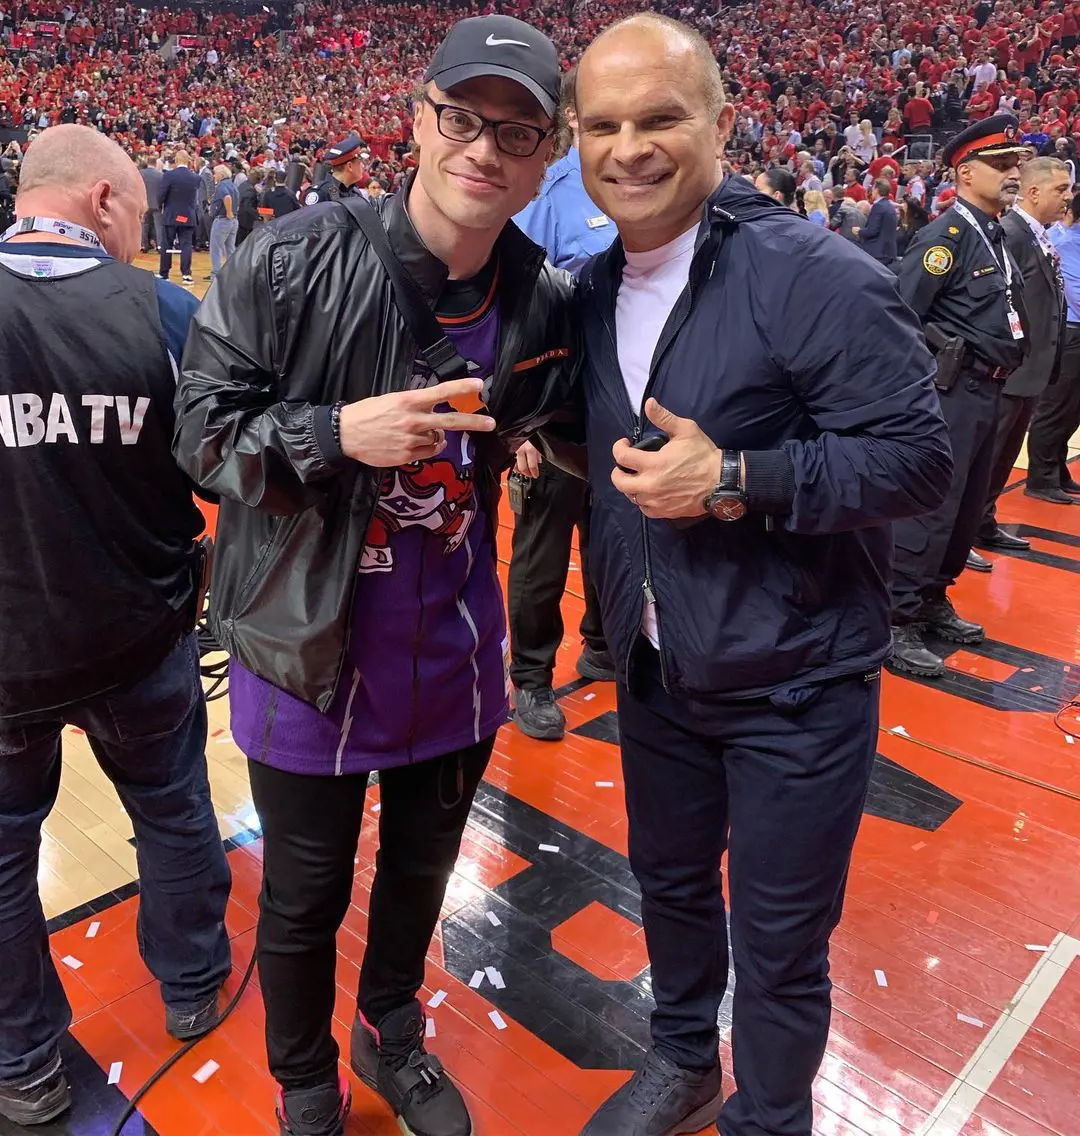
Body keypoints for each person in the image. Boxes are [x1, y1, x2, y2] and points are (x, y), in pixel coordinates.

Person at [173, 16, 575, 1136]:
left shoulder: (542, 297)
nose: (484, 149)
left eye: (518, 131)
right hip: (307, 649)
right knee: (301, 895)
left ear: (546, 156)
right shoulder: (290, 259)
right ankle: (304, 1074)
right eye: (463, 118)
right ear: (416, 120)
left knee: (416, 877)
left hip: (453, 646)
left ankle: (390, 1026)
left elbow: (565, 422)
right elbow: (200, 435)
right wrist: (331, 434)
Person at [571, 15, 951, 1136]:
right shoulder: (595, 287)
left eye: (660, 118)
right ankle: (685, 1058)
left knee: (779, 940)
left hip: (797, 681)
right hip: (657, 666)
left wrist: (738, 474)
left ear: (724, 125)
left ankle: (771, 1116)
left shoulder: (813, 273)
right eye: (601, 123)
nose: (628, 147)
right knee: (674, 888)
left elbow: (918, 458)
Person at [0, 125, 231, 1127]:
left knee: (5, 855)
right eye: (138, 213)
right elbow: (225, 470)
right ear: (102, 199)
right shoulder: (165, 310)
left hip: (4, 658)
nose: (144, 230)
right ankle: (191, 984)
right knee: (174, 812)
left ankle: (22, 1064)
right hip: (140, 635)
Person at [889, 115, 1030, 678]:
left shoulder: (992, 233)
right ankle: (895, 619)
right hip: (952, 392)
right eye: (1000, 164)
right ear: (966, 173)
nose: (1013, 171)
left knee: (968, 506)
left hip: (990, 389)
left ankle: (931, 600)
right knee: (933, 508)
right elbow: (901, 315)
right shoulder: (944, 239)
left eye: (1014, 162)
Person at [508, 63, 617, 741]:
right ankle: (531, 678)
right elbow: (516, 311)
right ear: (575, 118)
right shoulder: (548, 195)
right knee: (543, 552)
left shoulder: (641, 189)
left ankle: (604, 645)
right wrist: (518, 425)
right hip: (554, 414)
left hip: (625, 408)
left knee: (613, 539)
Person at [969, 156, 1070, 570]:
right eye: (1060, 190)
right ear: (1033, 192)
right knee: (985, 458)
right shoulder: (1011, 232)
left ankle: (983, 521)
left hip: (1030, 369)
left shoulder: (1037, 234)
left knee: (1004, 457)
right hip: (1009, 370)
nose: (1067, 198)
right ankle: (964, 531)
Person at [1026, 190, 1080, 502]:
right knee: (1056, 407)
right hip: (1068, 334)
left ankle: (1057, 469)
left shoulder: (1065, 236)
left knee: (1071, 410)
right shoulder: (1064, 241)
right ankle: (1041, 478)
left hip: (1071, 332)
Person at [159, 147, 200, 285]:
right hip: (187, 216)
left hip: (171, 214)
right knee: (186, 245)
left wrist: (160, 208)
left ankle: (164, 273)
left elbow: (162, 194)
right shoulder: (195, 177)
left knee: (167, 243)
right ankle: (186, 274)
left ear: (176, 160)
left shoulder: (169, 175)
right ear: (188, 161)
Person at [304, 133, 368, 205]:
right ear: (350, 166)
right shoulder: (320, 194)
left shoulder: (356, 193)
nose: (362, 166)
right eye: (359, 162)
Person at [853, 177, 898, 263]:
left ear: (877, 190)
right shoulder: (889, 205)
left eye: (873, 189)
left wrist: (859, 231)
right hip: (887, 251)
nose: (872, 191)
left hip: (878, 252)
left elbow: (872, 230)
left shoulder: (878, 206)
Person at [207, 162, 238, 280]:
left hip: (223, 220)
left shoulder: (221, 185)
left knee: (216, 248)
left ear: (221, 174)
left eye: (215, 174)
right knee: (230, 249)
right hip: (234, 221)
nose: (214, 176)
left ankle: (216, 275)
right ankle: (233, 273)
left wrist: (228, 212)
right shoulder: (232, 184)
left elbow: (227, 197)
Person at [139, 153, 162, 252]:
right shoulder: (160, 175)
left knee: (145, 225)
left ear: (147, 162)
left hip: (145, 203)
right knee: (158, 226)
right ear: (156, 163)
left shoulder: (141, 173)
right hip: (157, 203)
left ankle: (144, 245)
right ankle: (159, 246)